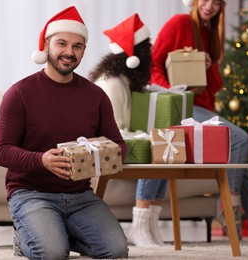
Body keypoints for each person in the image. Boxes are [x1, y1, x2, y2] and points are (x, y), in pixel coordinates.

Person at [0, 6, 129, 259]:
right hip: (31, 193)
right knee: (53, 254)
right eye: (62, 44)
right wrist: (41, 160)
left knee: (116, 250)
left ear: (84, 51)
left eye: (77, 46)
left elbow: (119, 145)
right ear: (46, 46)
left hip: (80, 195)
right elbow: (1, 152)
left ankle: (51, 231)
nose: (69, 52)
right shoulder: (20, 93)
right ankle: (31, 237)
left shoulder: (95, 96)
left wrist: (99, 155)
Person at [150, 0, 248, 241]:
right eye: (205, 0)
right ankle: (228, 209)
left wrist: (209, 66)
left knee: (234, 160)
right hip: (180, 105)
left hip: (199, 106)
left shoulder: (210, 32)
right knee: (239, 140)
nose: (210, 6)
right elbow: (154, 64)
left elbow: (210, 87)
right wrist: (172, 89)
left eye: (217, 3)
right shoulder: (180, 23)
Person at [88, 14, 164, 248]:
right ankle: (139, 225)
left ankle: (150, 223)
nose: (150, 55)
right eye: (146, 49)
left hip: (119, 141)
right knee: (156, 150)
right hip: (105, 146)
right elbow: (112, 132)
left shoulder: (122, 79)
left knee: (165, 150)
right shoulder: (111, 83)